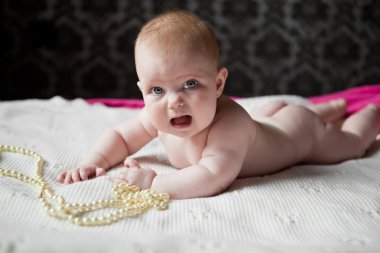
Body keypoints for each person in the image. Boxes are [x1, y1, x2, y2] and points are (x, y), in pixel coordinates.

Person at [57, 10, 380, 199]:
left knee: (348, 144)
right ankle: (331, 107)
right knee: (269, 120)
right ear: (143, 90)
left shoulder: (230, 125)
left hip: (299, 135)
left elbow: (212, 175)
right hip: (267, 122)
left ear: (219, 84)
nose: (175, 102)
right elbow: (122, 137)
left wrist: (155, 183)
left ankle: (369, 112)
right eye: (157, 90)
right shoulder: (158, 115)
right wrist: (94, 161)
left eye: (191, 84)